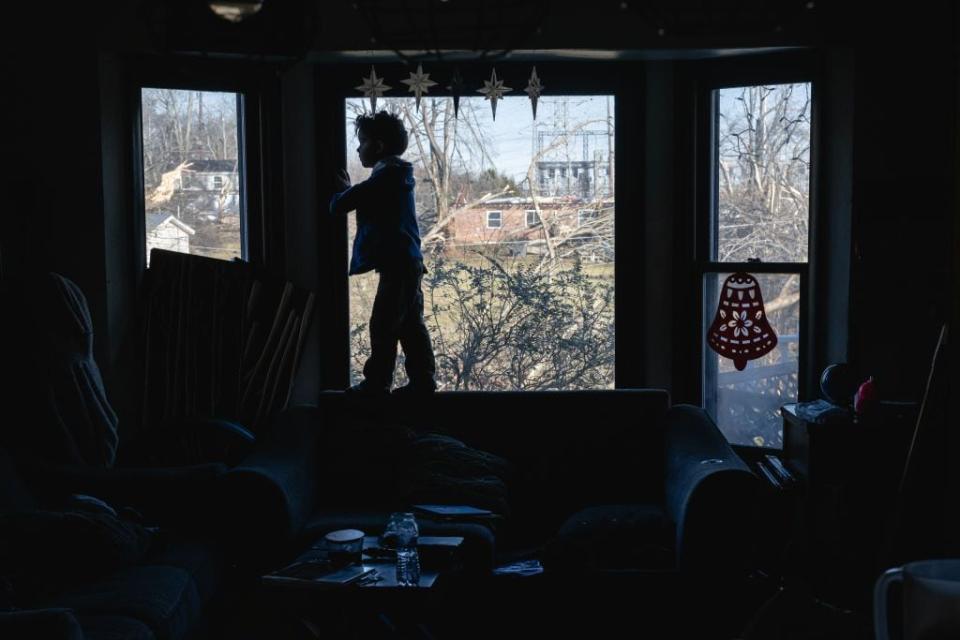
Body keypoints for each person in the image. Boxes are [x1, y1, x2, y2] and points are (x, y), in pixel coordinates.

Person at [330, 111, 436, 394]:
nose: (357, 147)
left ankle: (378, 383)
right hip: (406, 264)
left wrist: (341, 193)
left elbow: (341, 205)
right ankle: (423, 381)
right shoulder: (394, 176)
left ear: (377, 146)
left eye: (362, 141)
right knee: (410, 324)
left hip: (400, 265)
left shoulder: (388, 176)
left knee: (383, 324)